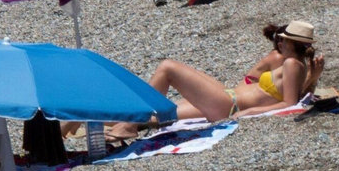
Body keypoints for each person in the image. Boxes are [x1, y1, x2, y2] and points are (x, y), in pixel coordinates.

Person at [107, 22, 323, 139]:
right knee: (164, 113)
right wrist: (313, 79)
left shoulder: (292, 63)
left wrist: (249, 112)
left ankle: (127, 126)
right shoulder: (295, 64)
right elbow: (295, 96)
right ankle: (105, 120)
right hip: (227, 99)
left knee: (167, 68)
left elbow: (289, 103)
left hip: (229, 105)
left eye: (282, 40)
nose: (279, 44)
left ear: (290, 43)